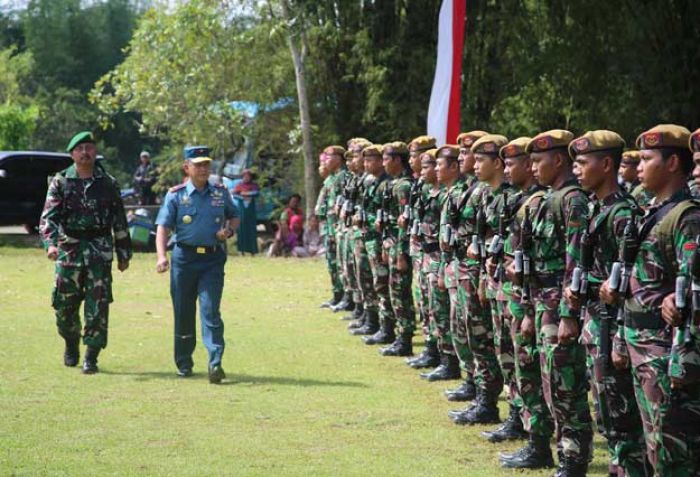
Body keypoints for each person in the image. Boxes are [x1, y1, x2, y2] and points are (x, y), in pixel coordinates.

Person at [601, 124, 700, 476]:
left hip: (664, 351)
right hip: (638, 345)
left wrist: (683, 361)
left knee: (671, 454)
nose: (639, 167)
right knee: (647, 446)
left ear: (672, 163)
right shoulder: (649, 212)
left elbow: (691, 294)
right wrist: (619, 337)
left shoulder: (686, 217)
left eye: (647, 159)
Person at [566, 130, 648, 477]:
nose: (577, 170)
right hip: (596, 323)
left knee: (621, 417)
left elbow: (630, 284)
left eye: (584, 163)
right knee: (607, 413)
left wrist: (616, 338)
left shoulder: (622, 215)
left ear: (607, 164)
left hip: (613, 327)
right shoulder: (600, 208)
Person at [523, 129, 593, 475]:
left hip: (559, 305)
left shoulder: (572, 200)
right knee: (551, 381)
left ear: (559, 160)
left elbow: (576, 261)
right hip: (544, 302)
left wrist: (568, 314)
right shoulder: (548, 198)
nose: (533, 167)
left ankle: (574, 459)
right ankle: (560, 453)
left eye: (538, 161)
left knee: (566, 385)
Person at [39, 131, 132, 374]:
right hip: (69, 250)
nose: (85, 152)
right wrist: (50, 244)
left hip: (99, 251)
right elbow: (48, 218)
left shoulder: (108, 183)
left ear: (95, 151)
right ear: (72, 154)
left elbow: (119, 220)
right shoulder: (60, 182)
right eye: (80, 149)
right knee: (64, 306)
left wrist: (124, 252)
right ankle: (71, 342)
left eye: (89, 147)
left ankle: (92, 356)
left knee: (98, 306)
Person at [155, 145, 239, 384]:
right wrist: (162, 256)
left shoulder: (221, 193)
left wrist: (229, 230)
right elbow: (163, 228)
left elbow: (234, 215)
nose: (203, 169)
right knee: (183, 311)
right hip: (184, 259)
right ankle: (183, 362)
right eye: (198, 164)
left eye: (206, 164)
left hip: (212, 259)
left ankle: (215, 362)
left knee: (210, 309)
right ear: (186, 167)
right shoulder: (175, 195)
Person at [232, 169, 259, 255]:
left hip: (250, 211)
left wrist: (246, 194)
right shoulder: (239, 185)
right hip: (242, 210)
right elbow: (235, 194)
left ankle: (252, 250)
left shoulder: (254, 185)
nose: (246, 178)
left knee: (251, 229)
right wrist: (242, 197)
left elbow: (256, 193)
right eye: (245, 176)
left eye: (248, 176)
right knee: (241, 228)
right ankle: (242, 250)